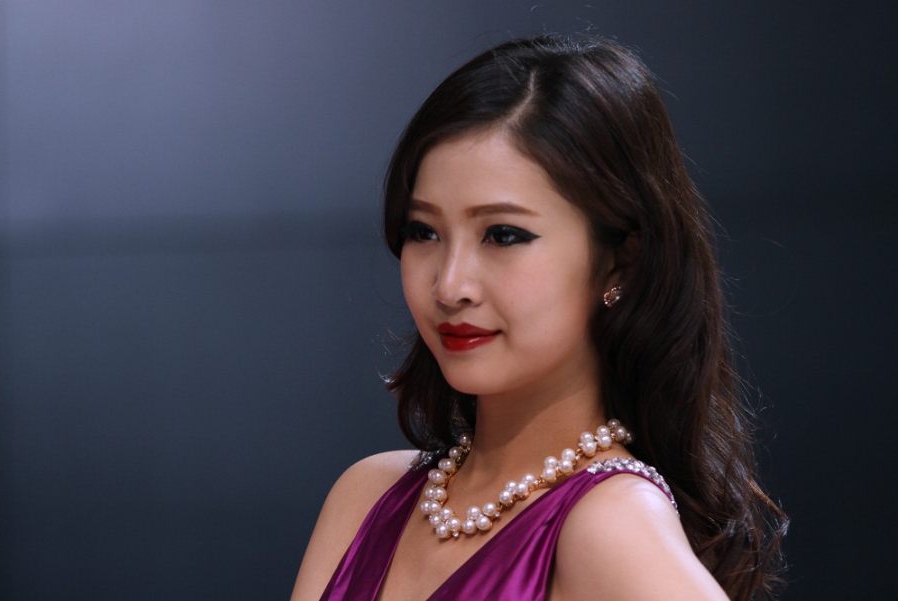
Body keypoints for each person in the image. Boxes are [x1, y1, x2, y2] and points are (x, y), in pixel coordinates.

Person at [291, 35, 787, 600]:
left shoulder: (612, 524)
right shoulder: (367, 497)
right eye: (423, 231)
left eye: (503, 235)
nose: (449, 285)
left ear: (621, 260)